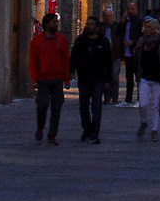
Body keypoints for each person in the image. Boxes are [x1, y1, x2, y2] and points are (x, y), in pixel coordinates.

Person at [28, 9, 70, 144]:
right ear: (46, 24)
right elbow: (33, 61)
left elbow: (65, 61)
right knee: (42, 105)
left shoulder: (62, 41)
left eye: (56, 22)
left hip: (57, 79)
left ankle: (52, 135)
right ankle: (40, 127)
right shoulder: (37, 41)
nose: (56, 25)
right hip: (43, 79)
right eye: (53, 22)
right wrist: (34, 79)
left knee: (57, 108)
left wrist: (67, 79)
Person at [71, 13, 114, 144]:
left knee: (96, 107)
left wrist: (108, 80)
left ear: (97, 28)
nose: (88, 26)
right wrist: (71, 71)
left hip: (98, 79)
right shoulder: (80, 41)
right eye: (87, 24)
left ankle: (94, 133)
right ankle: (87, 128)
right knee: (83, 106)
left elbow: (108, 62)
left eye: (91, 24)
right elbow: (74, 57)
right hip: (84, 78)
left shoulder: (103, 42)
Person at [131, 18, 160, 140]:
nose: (146, 29)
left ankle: (154, 129)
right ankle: (143, 121)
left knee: (156, 105)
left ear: (154, 29)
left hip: (157, 78)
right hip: (144, 77)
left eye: (149, 27)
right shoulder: (141, 43)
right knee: (143, 103)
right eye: (145, 27)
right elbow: (137, 59)